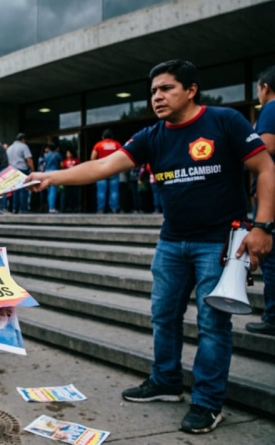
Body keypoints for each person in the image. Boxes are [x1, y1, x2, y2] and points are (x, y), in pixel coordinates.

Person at [27, 60, 275, 434]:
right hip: (172, 241)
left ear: (191, 90)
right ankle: (166, 382)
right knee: (163, 315)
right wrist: (50, 177)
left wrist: (263, 226)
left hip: (220, 242)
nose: (157, 97)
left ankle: (208, 403)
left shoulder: (225, 121)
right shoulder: (151, 135)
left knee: (212, 324)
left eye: (167, 88)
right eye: (154, 91)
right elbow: (103, 167)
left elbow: (265, 169)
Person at [247, 65, 275, 336]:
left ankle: (273, 316)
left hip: (272, 197)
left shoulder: (271, 108)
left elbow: (266, 146)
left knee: (272, 258)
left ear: (265, 87)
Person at [91, 129, 123, 213]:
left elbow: (92, 158)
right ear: (112, 137)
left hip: (102, 170)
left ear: (102, 137)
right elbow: (122, 156)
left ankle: (100, 209)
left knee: (101, 191)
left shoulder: (98, 145)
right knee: (114, 191)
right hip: (114, 169)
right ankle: (114, 209)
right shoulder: (117, 144)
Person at [6, 133, 35, 214]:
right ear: (23, 139)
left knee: (16, 190)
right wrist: (33, 170)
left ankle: (15, 208)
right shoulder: (24, 146)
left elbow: (7, 161)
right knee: (24, 189)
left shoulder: (10, 148)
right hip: (22, 169)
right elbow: (29, 159)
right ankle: (23, 209)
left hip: (13, 170)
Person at [43, 143, 62, 213]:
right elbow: (61, 164)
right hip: (54, 172)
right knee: (53, 191)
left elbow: (44, 165)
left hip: (46, 172)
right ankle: (52, 208)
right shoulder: (57, 154)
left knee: (49, 191)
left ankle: (50, 207)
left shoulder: (46, 155)